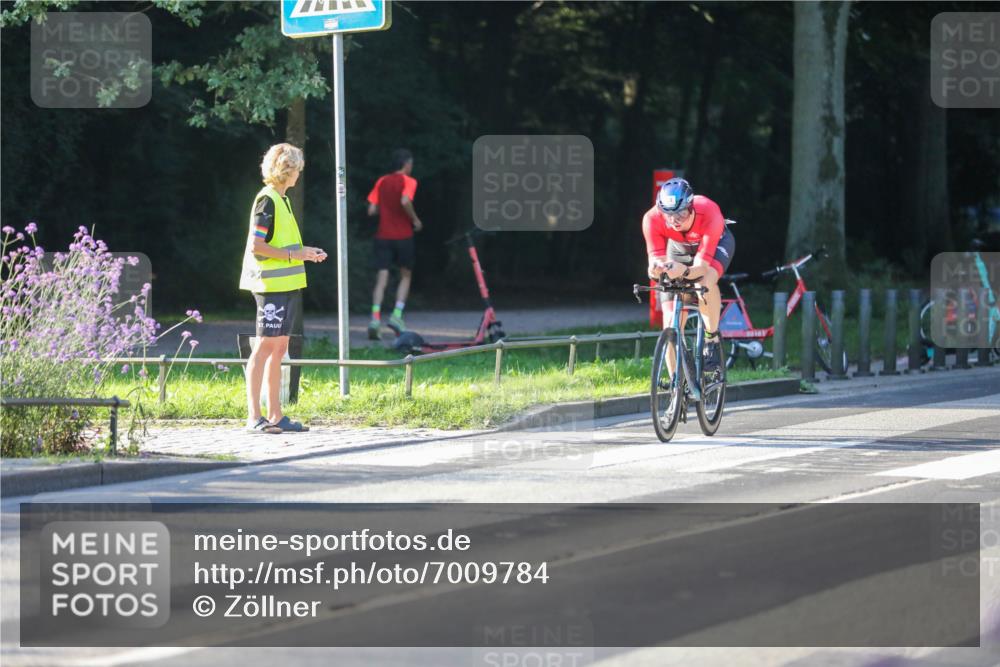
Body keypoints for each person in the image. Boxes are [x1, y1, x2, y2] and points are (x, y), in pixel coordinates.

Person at [239, 143, 327, 434]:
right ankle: (254, 416)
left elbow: (284, 244)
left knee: (279, 349)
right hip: (270, 286)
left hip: (287, 286)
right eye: (297, 169)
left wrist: (306, 251)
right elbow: (258, 246)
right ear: (287, 170)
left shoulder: (282, 199)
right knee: (264, 347)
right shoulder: (267, 200)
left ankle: (276, 415)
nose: (299, 174)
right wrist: (295, 254)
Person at [641, 177, 736, 371]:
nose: (674, 220)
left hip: (715, 244)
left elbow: (700, 268)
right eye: (668, 215)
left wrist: (683, 271)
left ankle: (712, 338)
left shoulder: (709, 211)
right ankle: (677, 390)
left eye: (681, 214)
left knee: (704, 282)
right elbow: (654, 261)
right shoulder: (651, 219)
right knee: (670, 325)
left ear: (691, 207)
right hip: (679, 249)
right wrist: (655, 269)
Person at [366, 148, 423, 339]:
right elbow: (405, 200)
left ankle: (375, 319)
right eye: (411, 164)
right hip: (403, 237)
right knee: (406, 275)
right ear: (406, 164)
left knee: (381, 278)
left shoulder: (382, 181)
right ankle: (397, 316)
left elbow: (371, 210)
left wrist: (386, 209)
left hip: (383, 236)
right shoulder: (409, 181)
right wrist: (415, 220)